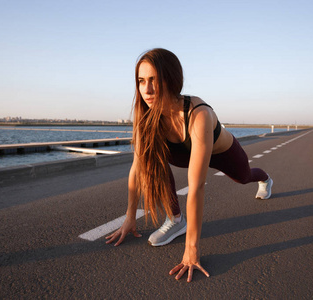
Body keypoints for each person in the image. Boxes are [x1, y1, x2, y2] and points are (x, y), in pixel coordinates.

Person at [105, 48, 273, 282]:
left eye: (154, 80)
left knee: (244, 177)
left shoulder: (198, 113)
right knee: (152, 159)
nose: (147, 90)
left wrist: (191, 248)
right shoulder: (146, 118)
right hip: (181, 154)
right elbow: (137, 169)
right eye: (141, 81)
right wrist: (130, 217)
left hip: (220, 152)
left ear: (171, 79)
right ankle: (175, 219)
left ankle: (266, 178)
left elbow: (196, 187)